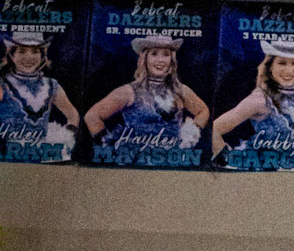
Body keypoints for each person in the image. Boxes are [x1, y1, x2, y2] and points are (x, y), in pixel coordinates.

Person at [84, 33, 210, 162]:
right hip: (135, 163)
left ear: (171, 60)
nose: (160, 60)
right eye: (154, 54)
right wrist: (111, 149)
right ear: (144, 58)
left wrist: (190, 135)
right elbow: (92, 117)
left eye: (166, 54)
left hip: (172, 162)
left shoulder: (180, 90)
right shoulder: (128, 91)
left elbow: (203, 111)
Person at [212, 37, 294, 169]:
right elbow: (214, 129)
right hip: (261, 175)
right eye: (282, 63)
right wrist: (226, 162)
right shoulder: (260, 100)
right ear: (270, 67)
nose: (289, 70)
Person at [0, 27, 79, 158]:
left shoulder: (52, 85)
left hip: (41, 158)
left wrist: (67, 139)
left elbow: (73, 115)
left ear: (42, 55)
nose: (28, 57)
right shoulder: (3, 84)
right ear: (12, 56)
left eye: (35, 51)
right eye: (22, 51)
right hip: (7, 157)